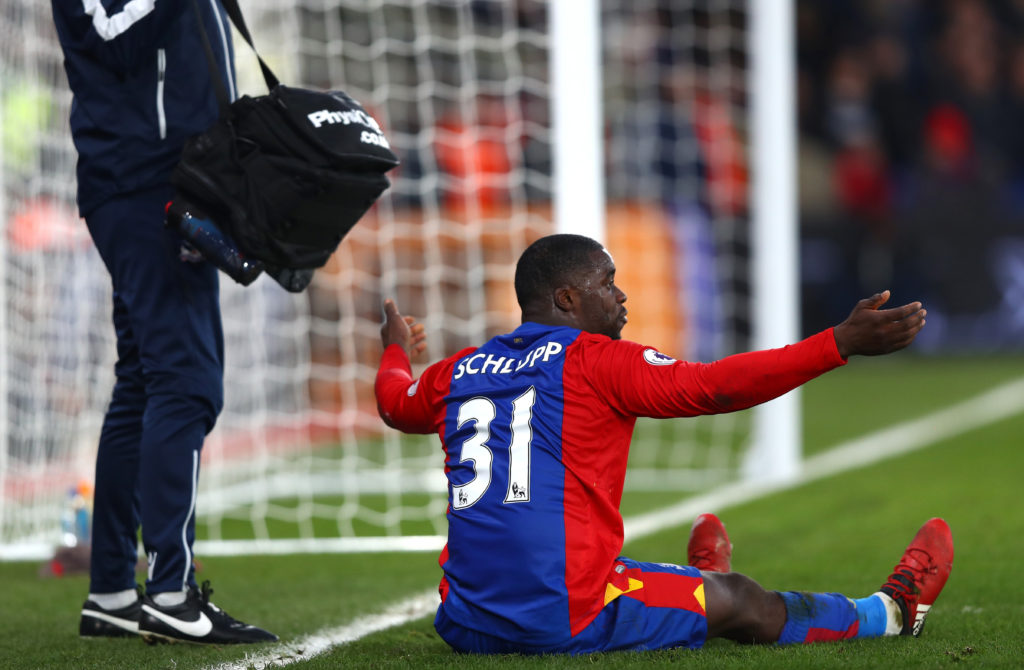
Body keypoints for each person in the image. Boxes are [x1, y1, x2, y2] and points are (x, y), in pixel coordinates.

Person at [374, 233, 953, 654]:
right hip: (559, 618)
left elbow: (396, 404)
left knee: (593, 563)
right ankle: (893, 614)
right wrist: (837, 343)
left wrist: (396, 348)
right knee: (743, 599)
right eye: (607, 283)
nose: (621, 296)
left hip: (466, 622)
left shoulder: (460, 369)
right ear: (568, 299)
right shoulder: (593, 360)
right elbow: (714, 388)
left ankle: (695, 580)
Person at [52, 1, 276, 644]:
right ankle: (172, 595)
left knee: (145, 382)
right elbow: (110, 34)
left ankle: (114, 592)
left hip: (172, 181)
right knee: (186, 382)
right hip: (144, 185)